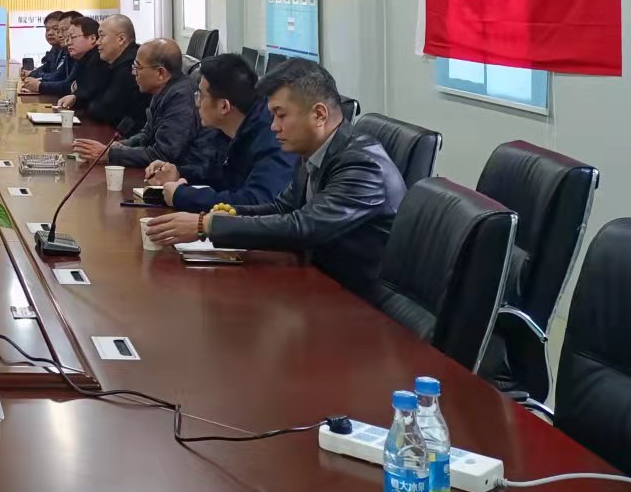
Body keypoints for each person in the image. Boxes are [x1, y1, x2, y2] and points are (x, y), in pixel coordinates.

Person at [145, 59, 406, 303]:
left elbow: (304, 227)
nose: (273, 127)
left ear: (319, 114)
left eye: (281, 115)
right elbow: (281, 207)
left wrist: (206, 225)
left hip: (359, 301)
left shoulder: (362, 164)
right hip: (319, 282)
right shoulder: (316, 150)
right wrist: (214, 217)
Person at [141, 53, 295, 211]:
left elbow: (258, 202)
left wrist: (183, 196)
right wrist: (178, 173)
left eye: (201, 96)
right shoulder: (232, 127)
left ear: (224, 106)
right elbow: (220, 176)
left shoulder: (274, 137)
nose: (197, 103)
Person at [75, 37, 197, 167]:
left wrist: (110, 154)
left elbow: (163, 154)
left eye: (138, 67)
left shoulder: (181, 98)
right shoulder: (162, 89)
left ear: (160, 73)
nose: (134, 73)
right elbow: (147, 135)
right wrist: (120, 146)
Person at [70, 13, 148, 129]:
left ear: (121, 39)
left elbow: (103, 110)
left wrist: (87, 103)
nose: (97, 42)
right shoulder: (112, 64)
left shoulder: (130, 66)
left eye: (102, 36)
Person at [36, 14, 99, 100]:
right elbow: (68, 82)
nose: (68, 42)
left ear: (92, 38)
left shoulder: (99, 60)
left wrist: (40, 86)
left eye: (73, 37)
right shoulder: (80, 58)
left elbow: (68, 86)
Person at [20, 11, 72, 91]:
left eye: (55, 29)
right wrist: (31, 74)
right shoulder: (56, 49)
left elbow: (59, 77)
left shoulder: (71, 51)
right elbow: (47, 67)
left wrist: (39, 85)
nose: (50, 33)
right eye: (47, 29)